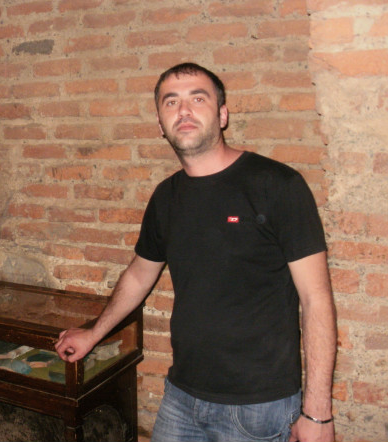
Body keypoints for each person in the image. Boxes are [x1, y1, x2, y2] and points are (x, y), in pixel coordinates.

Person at [55, 63, 337, 442]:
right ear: (160, 124)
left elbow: (316, 298)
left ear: (222, 115)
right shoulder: (166, 197)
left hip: (257, 407)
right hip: (182, 396)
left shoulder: (278, 185)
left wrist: (317, 413)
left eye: (198, 99)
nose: (184, 110)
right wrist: (94, 333)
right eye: (171, 102)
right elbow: (139, 274)